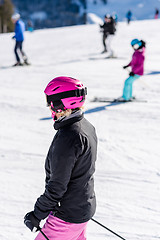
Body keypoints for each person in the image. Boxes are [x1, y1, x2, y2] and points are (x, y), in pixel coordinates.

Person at [24, 76, 97, 240]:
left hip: (67, 217)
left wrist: (37, 214)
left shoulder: (68, 138)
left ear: (60, 104)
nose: (49, 107)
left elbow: (57, 186)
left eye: (50, 102)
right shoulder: (86, 127)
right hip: (82, 207)